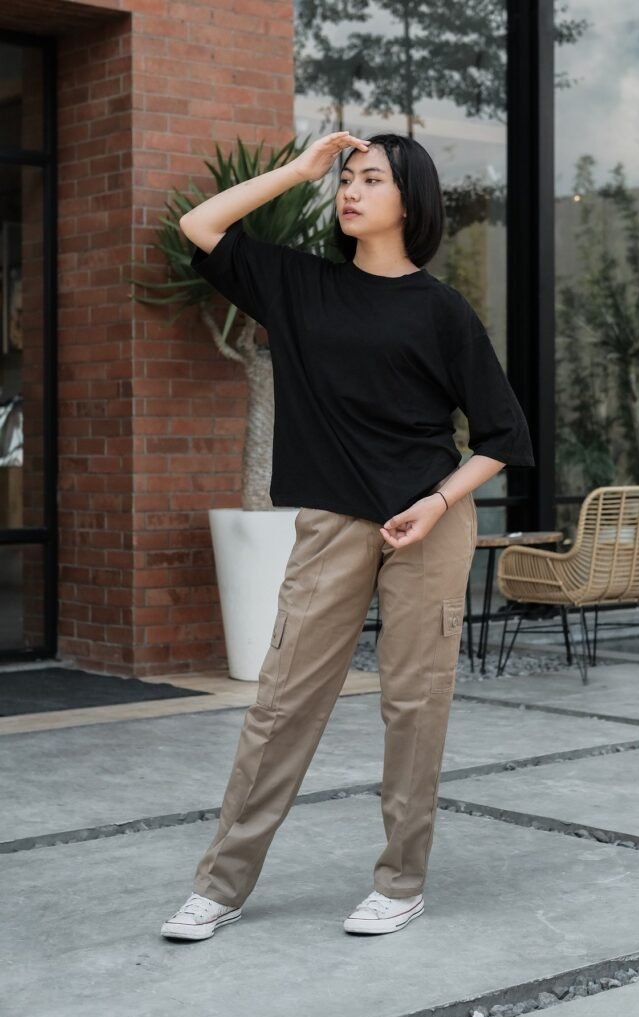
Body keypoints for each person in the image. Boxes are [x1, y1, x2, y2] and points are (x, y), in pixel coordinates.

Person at [161, 131, 535, 942]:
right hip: (331, 522)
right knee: (282, 705)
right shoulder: (300, 286)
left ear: (411, 200)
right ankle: (219, 887)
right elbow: (200, 225)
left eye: (373, 180)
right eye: (346, 180)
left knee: (414, 704)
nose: (351, 192)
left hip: (428, 523)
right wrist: (298, 170)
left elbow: (502, 437)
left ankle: (400, 883)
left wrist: (436, 503)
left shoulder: (440, 309)